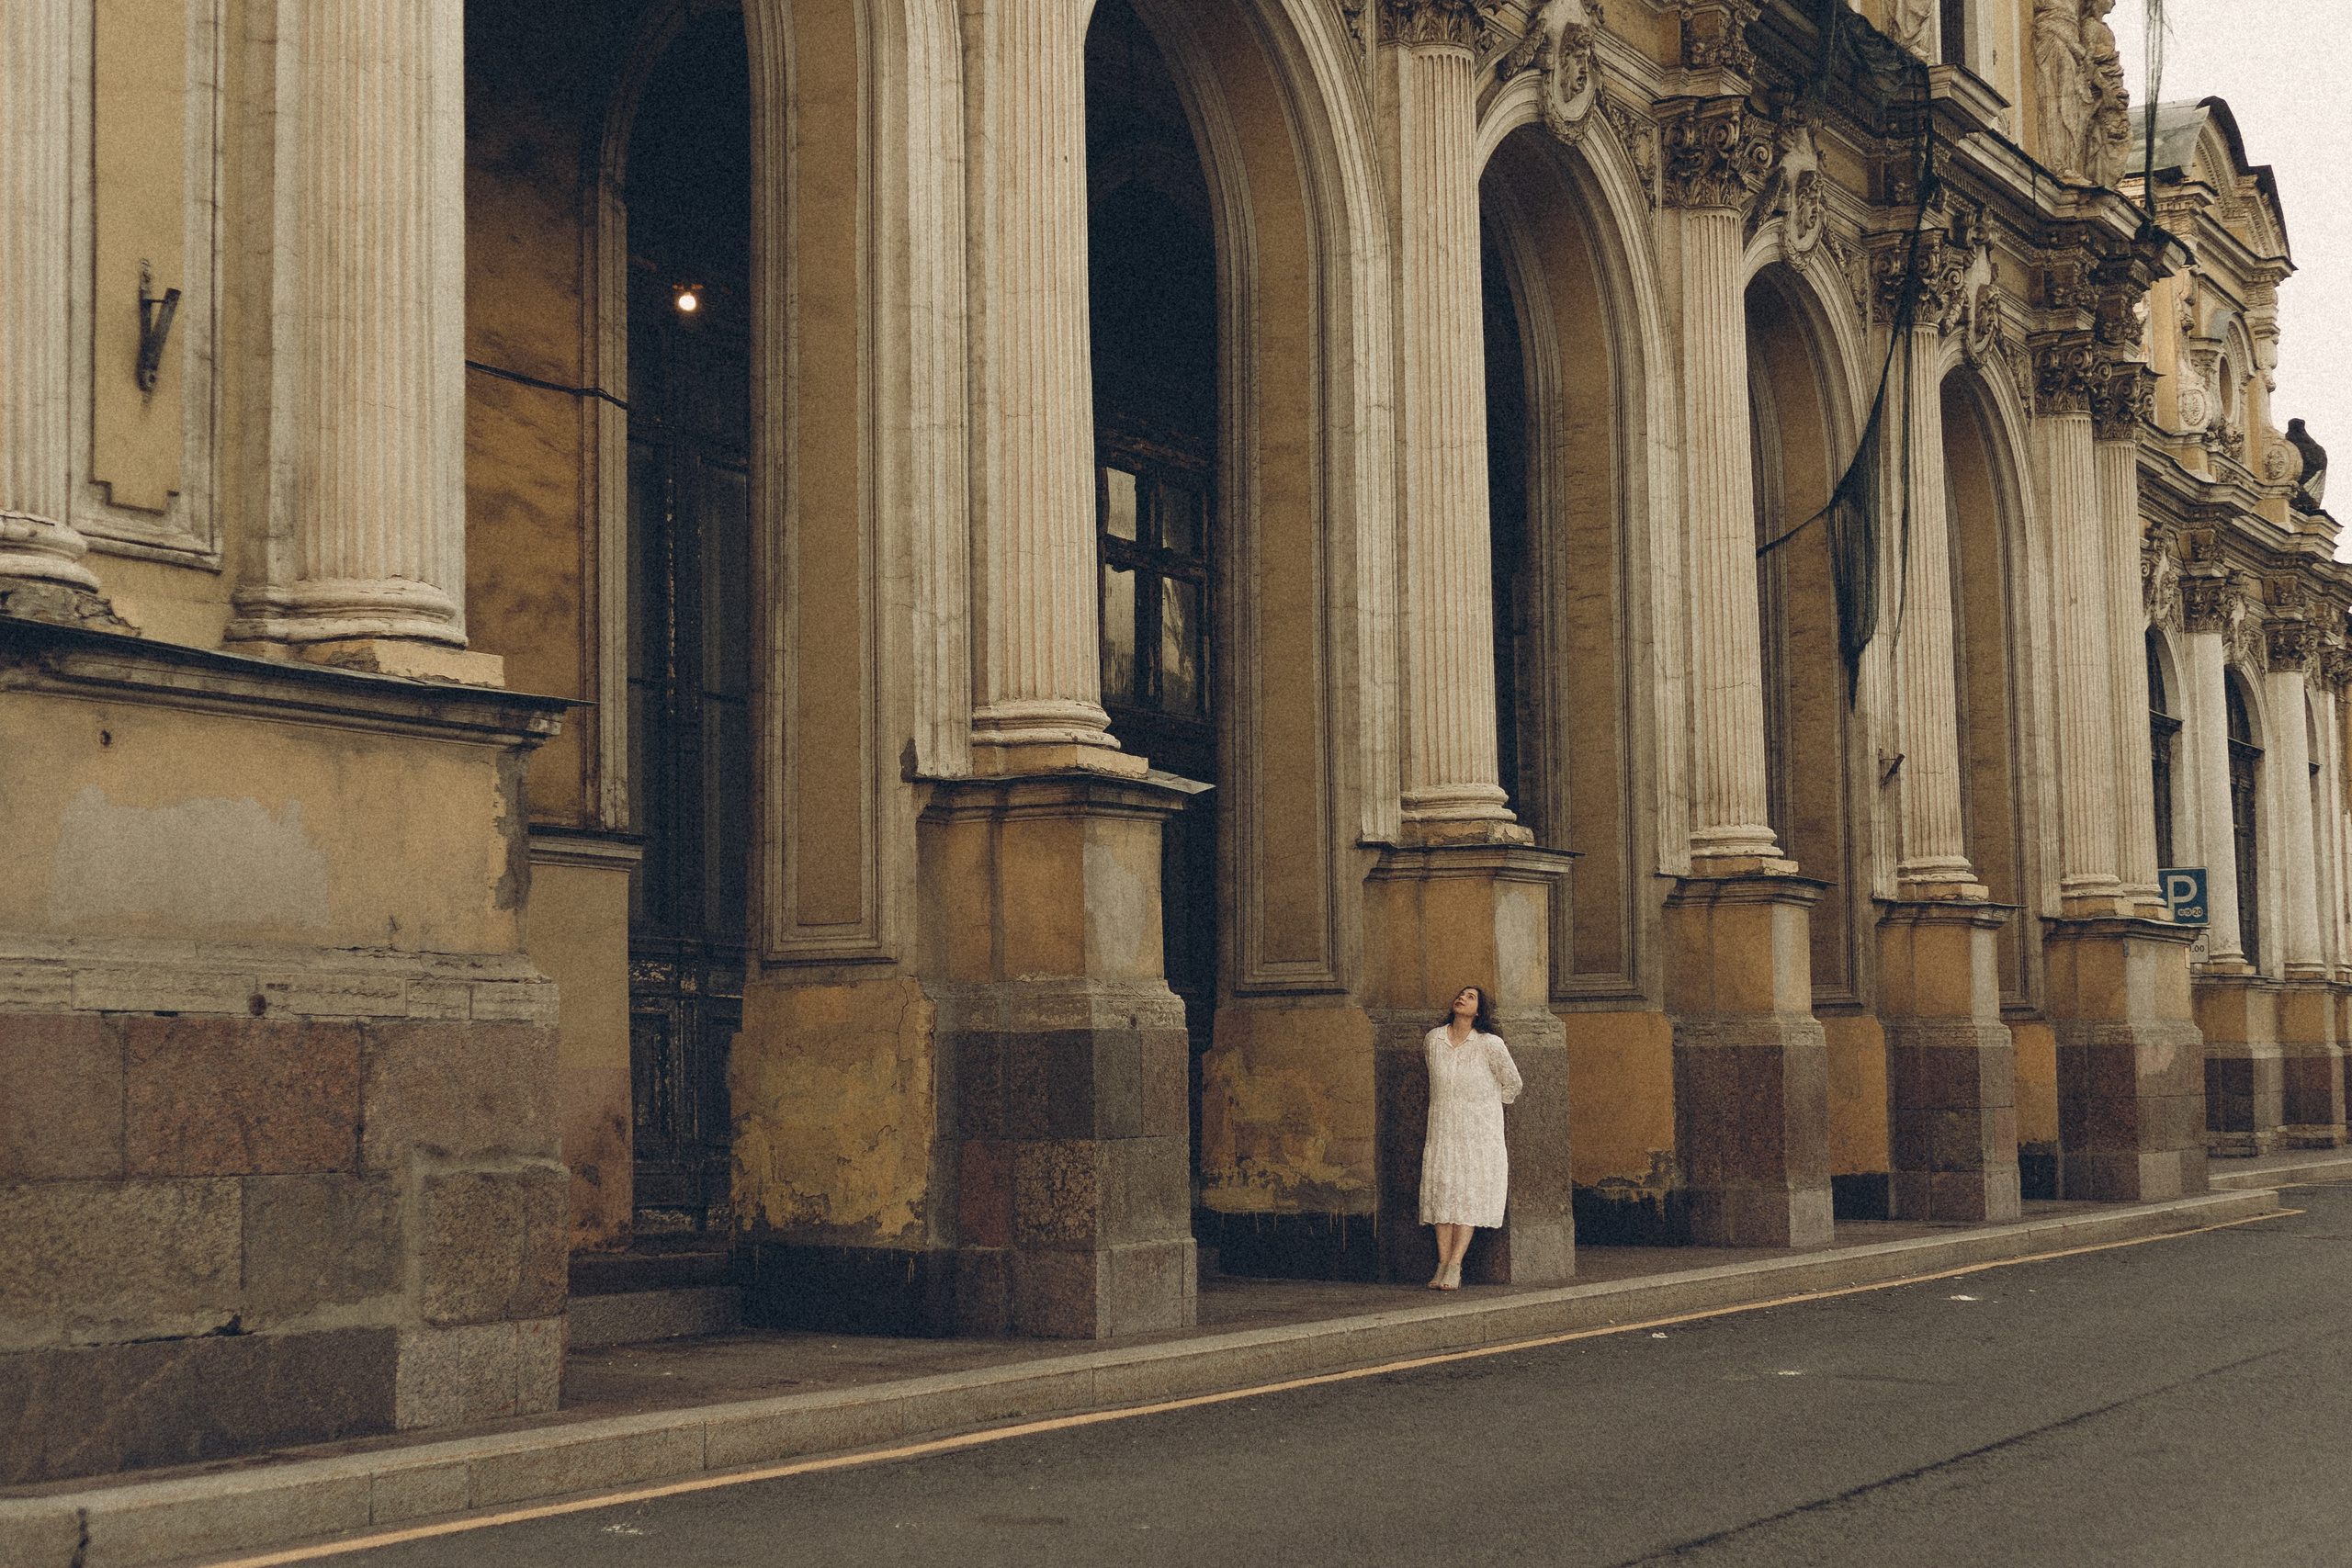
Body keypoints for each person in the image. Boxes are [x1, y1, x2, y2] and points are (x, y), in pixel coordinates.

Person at [1419, 985, 1523, 1291]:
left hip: (1477, 1133)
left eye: (1471, 996)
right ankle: (1441, 1263)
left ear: (1479, 1011)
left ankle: (1455, 1265)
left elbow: (1513, 1084)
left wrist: (1485, 1109)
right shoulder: (1434, 1040)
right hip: (1442, 1129)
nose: (1462, 998)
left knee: (1467, 1194)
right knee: (1442, 1191)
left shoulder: (1489, 1044)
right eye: (1461, 994)